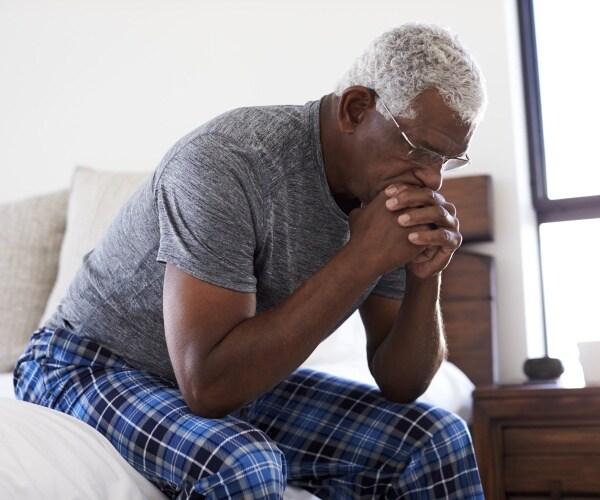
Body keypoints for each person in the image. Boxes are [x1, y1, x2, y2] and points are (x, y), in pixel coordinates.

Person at [14, 22, 487, 499]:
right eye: (420, 150)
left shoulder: (385, 197)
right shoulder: (226, 163)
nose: (432, 179)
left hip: (240, 377)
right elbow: (208, 387)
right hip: (88, 361)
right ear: (356, 108)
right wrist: (360, 257)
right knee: (244, 466)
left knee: (434, 440)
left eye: (448, 161)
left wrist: (426, 275)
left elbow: (401, 383)